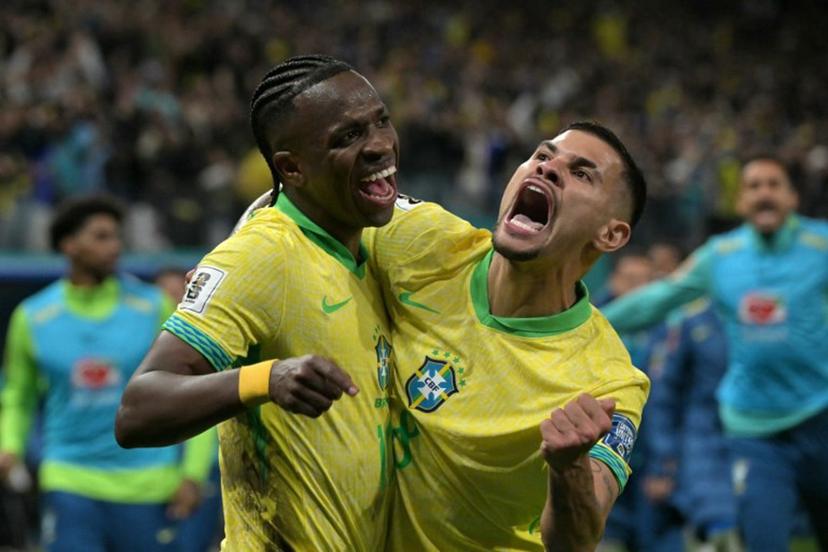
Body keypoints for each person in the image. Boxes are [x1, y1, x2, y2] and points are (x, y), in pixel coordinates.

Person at [115, 55, 398, 550]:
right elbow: (138, 409)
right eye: (347, 136)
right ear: (291, 167)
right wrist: (267, 378)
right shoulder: (261, 254)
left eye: (381, 121)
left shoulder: (372, 247)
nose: (379, 144)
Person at [361, 121, 650, 550]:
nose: (548, 169)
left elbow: (579, 541)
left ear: (610, 234)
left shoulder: (608, 383)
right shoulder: (423, 241)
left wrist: (568, 467)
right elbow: (290, 207)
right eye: (543, 156)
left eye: (582, 173)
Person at [602, 155, 828, 550]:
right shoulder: (721, 256)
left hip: (820, 416)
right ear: (740, 201)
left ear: (792, 196)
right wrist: (593, 318)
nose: (764, 194)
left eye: (774, 184)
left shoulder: (821, 246)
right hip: (755, 429)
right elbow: (660, 297)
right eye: (754, 186)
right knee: (763, 540)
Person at [0, 195, 212, 552]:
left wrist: (193, 473)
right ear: (69, 245)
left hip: (149, 484)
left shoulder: (151, 306)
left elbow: (192, 387)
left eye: (116, 236)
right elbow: (18, 395)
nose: (115, 246)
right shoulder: (32, 318)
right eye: (101, 237)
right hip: (70, 480)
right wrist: (10, 448)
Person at [645, 300, 739, 551]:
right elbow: (663, 397)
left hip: (753, 439)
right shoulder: (690, 320)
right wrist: (663, 463)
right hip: (702, 443)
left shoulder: (761, 315)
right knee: (714, 524)